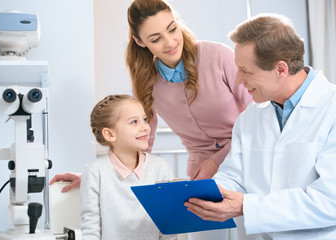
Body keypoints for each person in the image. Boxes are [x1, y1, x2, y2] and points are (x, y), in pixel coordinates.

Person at [50, 0, 252, 239]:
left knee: (249, 231)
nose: (170, 42)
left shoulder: (218, 56)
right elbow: (142, 141)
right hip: (200, 176)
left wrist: (217, 160)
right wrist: (101, 174)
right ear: (140, 41)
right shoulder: (147, 80)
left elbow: (256, 118)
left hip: (244, 159)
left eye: (172, 29)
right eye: (156, 39)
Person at [184, 14, 336, 239]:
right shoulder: (251, 116)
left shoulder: (330, 109)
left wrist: (247, 206)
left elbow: (329, 202)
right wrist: (204, 195)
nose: (238, 80)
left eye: (246, 70)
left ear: (281, 69)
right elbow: (234, 175)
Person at [80, 94, 176, 240]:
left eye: (144, 119)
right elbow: (90, 227)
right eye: (134, 122)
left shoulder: (161, 168)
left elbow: (168, 227)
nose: (145, 127)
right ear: (110, 134)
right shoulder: (95, 171)